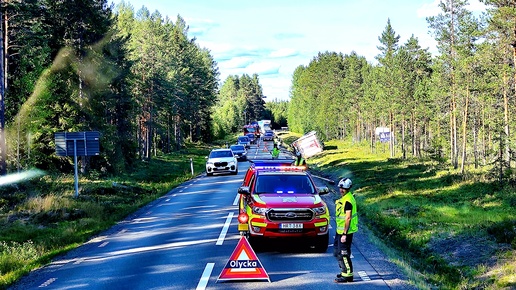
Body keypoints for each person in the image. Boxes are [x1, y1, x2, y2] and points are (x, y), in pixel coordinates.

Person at [333, 177, 358, 283]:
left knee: (344, 253)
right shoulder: (344, 198)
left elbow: (348, 218)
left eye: (344, 189)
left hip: (345, 232)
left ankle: (348, 275)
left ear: (348, 189)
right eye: (341, 188)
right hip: (340, 231)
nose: (341, 190)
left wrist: (344, 234)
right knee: (337, 252)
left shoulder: (348, 200)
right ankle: (344, 271)